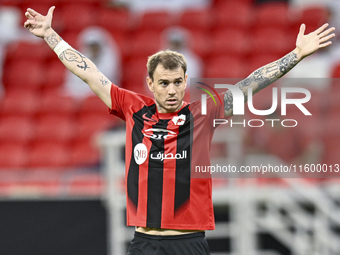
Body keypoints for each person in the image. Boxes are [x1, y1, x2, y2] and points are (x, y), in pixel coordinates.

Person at [24, 6, 335, 255]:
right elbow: (89, 72)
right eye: (163, 83)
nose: (171, 90)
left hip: (188, 243)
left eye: (177, 82)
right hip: (144, 243)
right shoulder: (134, 108)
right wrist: (51, 35)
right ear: (151, 84)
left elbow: (251, 83)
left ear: (185, 82)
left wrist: (296, 55)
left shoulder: (203, 114)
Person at [63, 26, 121, 100]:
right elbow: (72, 80)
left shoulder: (109, 59)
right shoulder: (80, 59)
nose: (93, 49)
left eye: (94, 46)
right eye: (90, 46)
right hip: (80, 93)